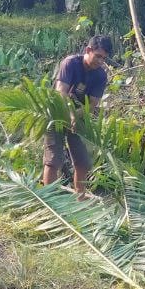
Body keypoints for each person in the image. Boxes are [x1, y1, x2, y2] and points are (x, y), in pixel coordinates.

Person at [42, 35, 113, 197]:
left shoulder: (100, 75)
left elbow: (92, 104)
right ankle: (49, 202)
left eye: (104, 58)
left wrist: (76, 116)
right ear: (88, 50)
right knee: (53, 161)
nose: (100, 61)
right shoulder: (70, 63)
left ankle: (80, 200)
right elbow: (61, 93)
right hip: (56, 113)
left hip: (79, 117)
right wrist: (70, 115)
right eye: (98, 56)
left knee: (83, 163)